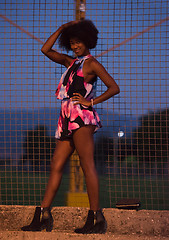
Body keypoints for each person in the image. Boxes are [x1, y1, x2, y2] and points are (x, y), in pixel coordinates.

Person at [21, 19, 120, 234]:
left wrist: (90, 102)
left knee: (87, 166)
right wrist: (61, 29)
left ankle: (96, 219)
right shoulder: (70, 63)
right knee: (56, 164)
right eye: (72, 43)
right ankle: (43, 215)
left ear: (88, 42)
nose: (75, 46)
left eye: (79, 43)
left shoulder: (91, 63)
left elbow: (114, 87)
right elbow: (45, 49)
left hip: (81, 118)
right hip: (65, 118)